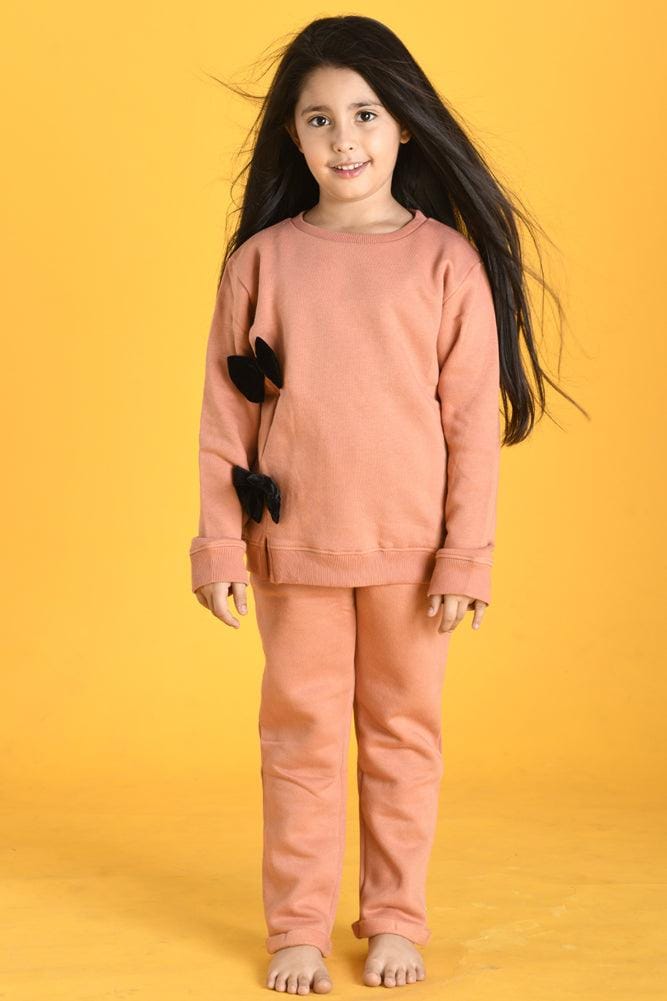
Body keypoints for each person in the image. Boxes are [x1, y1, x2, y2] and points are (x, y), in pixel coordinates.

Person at [188, 15, 586, 995]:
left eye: (364, 114)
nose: (344, 139)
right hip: (295, 551)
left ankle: (396, 915)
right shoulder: (260, 263)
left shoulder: (445, 263)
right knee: (299, 739)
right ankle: (296, 926)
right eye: (318, 119)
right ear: (292, 135)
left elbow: (469, 428)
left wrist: (465, 557)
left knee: (403, 738)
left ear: (403, 123)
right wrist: (219, 546)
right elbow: (226, 418)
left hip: (412, 560)